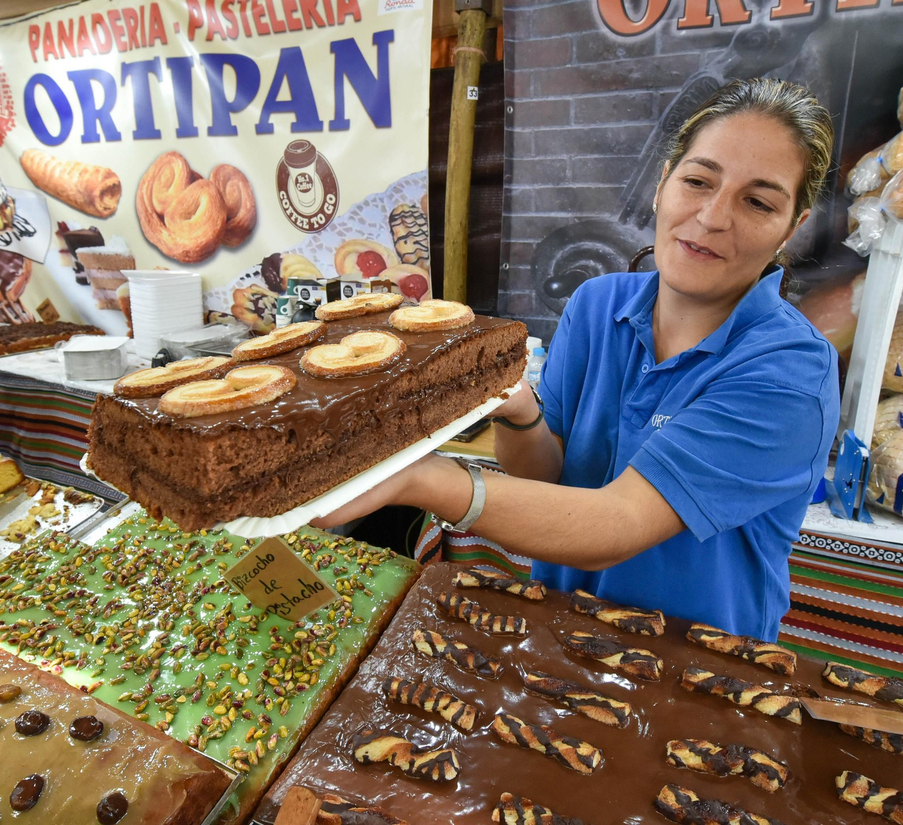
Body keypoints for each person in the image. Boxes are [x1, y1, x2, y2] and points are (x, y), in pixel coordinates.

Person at [316, 79, 840, 641]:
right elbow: (547, 475)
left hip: (696, 665)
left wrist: (422, 478)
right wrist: (519, 412)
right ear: (663, 183)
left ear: (793, 227)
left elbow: (620, 523)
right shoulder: (597, 305)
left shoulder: (791, 371)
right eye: (697, 181)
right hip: (559, 636)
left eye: (758, 202)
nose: (713, 217)